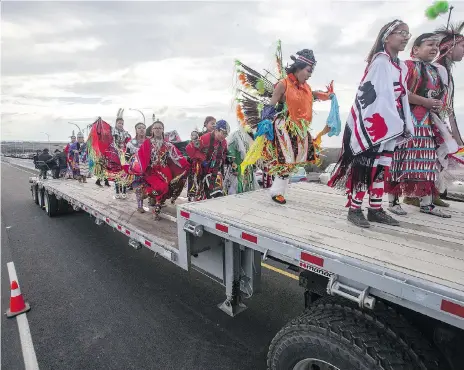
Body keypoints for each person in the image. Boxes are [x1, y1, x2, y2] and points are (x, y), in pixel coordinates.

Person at [328, 19, 414, 228]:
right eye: (401, 33)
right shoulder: (381, 61)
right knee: (366, 166)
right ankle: (354, 208)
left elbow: (400, 96)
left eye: (408, 34)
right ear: (387, 36)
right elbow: (374, 97)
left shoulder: (400, 66)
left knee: (382, 166)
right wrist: (388, 120)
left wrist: (402, 121)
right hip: (376, 123)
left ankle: (375, 208)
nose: (405, 38)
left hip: (391, 123)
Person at [237, 42, 341, 204]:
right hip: (284, 128)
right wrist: (265, 124)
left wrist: (328, 96)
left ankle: (279, 190)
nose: (309, 75)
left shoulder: (306, 87)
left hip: (300, 129)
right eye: (308, 71)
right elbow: (271, 105)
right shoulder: (283, 85)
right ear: (299, 67)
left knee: (295, 160)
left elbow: (312, 95)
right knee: (286, 159)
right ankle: (276, 191)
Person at [386, 33, 451, 218]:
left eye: (436, 46)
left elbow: (437, 94)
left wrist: (437, 103)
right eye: (430, 44)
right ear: (415, 49)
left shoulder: (436, 70)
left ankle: (426, 203)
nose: (434, 48)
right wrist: (426, 101)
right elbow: (401, 91)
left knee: (428, 161)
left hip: (427, 122)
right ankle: (393, 201)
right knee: (400, 159)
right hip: (407, 120)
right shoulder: (406, 66)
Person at [128, 120, 190, 220]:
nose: (157, 130)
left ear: (162, 130)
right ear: (152, 130)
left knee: (166, 188)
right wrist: (138, 167)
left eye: (159, 128)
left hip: (165, 171)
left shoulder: (168, 145)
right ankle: (149, 200)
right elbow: (140, 156)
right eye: (155, 128)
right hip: (151, 171)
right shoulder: (147, 143)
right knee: (160, 187)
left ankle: (156, 208)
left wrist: (186, 164)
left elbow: (177, 156)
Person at [432, 21, 464, 207]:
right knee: (434, 154)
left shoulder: (444, 70)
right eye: (462, 46)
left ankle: (430, 192)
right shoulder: (438, 69)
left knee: (442, 153)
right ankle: (420, 194)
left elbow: (447, 104)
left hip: (439, 119)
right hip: (429, 120)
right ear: (449, 48)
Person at [186, 120, 229, 200]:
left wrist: (222, 160)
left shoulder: (224, 142)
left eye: (226, 134)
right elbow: (189, 148)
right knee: (199, 194)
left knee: (216, 193)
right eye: (223, 133)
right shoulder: (205, 138)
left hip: (214, 170)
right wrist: (201, 158)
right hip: (200, 170)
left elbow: (224, 153)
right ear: (216, 130)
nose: (224, 136)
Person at [224, 125, 258, 195]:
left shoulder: (248, 137)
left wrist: (253, 165)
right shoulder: (235, 137)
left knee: (249, 187)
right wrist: (234, 169)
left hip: (248, 169)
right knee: (238, 188)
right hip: (238, 169)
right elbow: (231, 156)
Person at [125, 122, 147, 212]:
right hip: (136, 170)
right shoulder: (132, 143)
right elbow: (127, 156)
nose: (141, 129)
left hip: (148, 169)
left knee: (149, 187)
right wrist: (134, 160)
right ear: (136, 130)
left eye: (143, 128)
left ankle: (153, 200)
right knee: (138, 188)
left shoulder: (149, 141)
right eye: (139, 128)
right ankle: (140, 206)